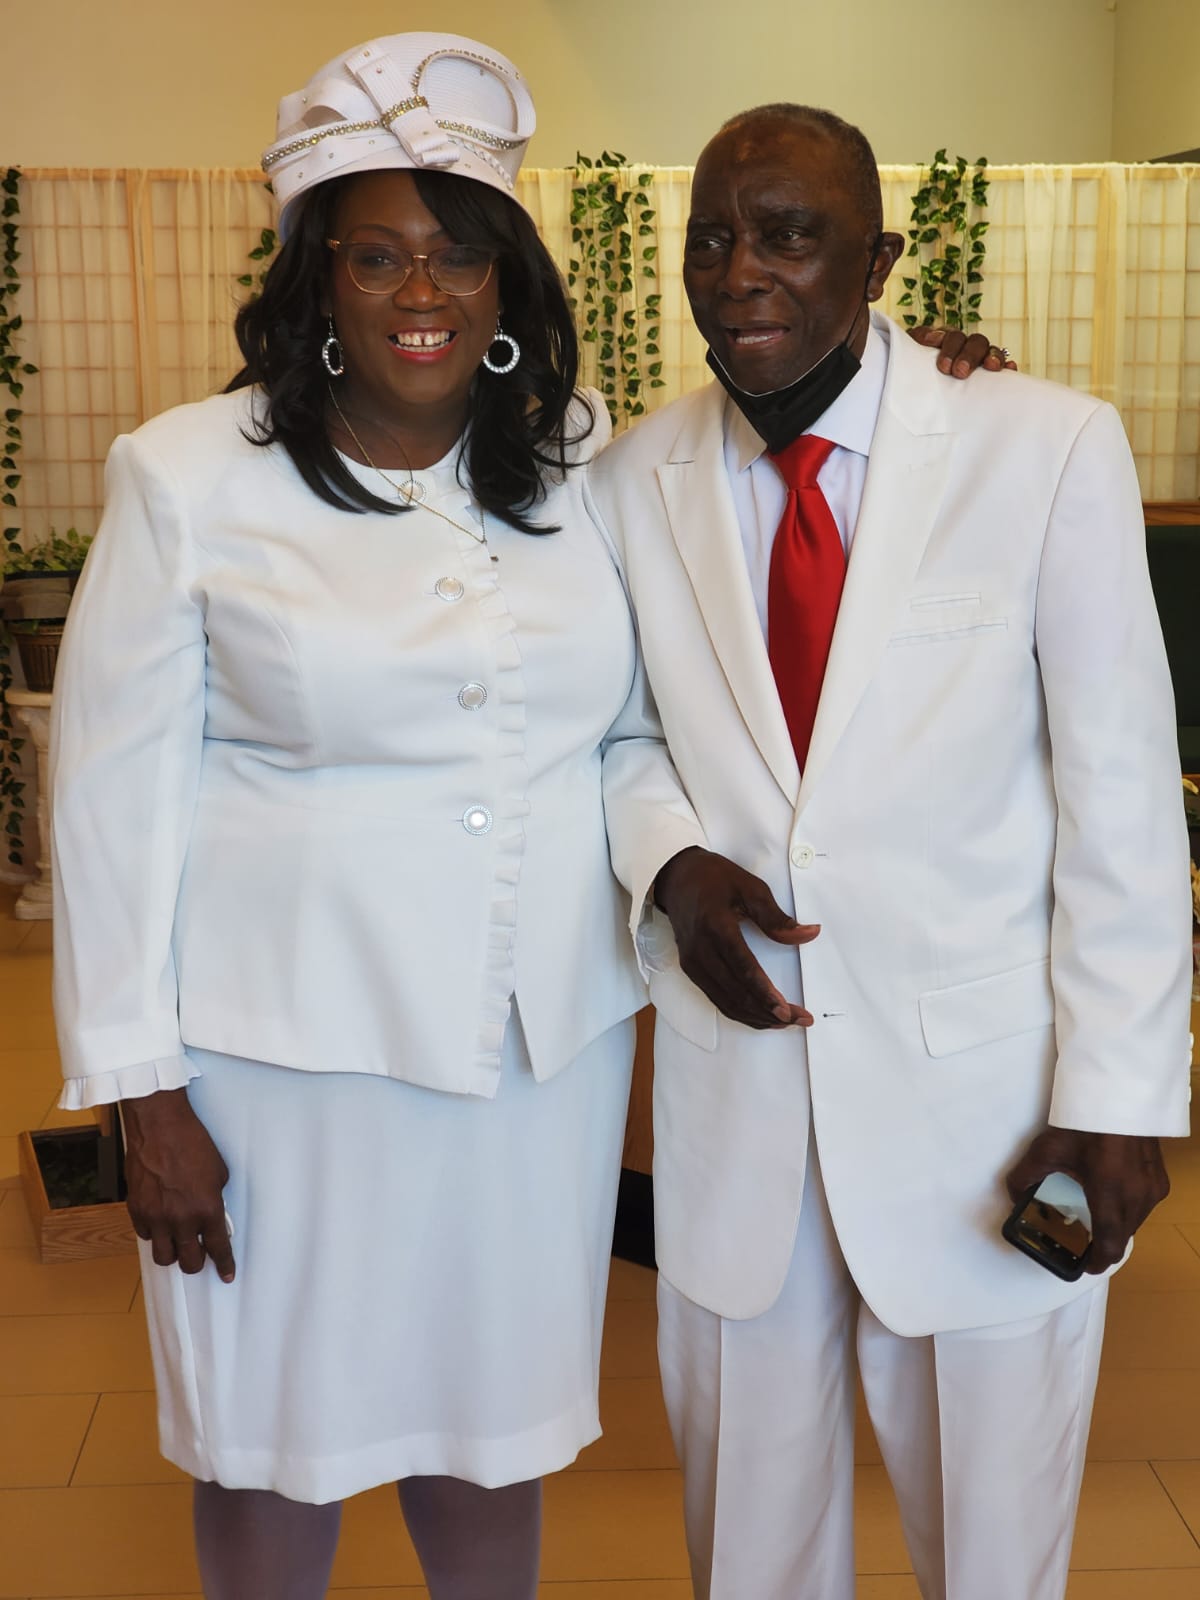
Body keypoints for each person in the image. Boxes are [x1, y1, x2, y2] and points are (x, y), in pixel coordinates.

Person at [48, 32, 664, 1600]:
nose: (421, 291)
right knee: (272, 1438)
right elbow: (111, 801)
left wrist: (921, 371)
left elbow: (635, 718)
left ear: (508, 283)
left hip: (533, 1059)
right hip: (282, 1066)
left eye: (459, 254)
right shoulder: (190, 478)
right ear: (318, 279)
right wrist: (141, 1095)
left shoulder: (586, 462)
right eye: (377, 254)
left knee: (493, 1430)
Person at [593, 103, 1192, 1600]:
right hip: (741, 1104)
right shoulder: (627, 478)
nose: (742, 273)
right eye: (711, 241)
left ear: (879, 259)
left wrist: (1124, 1099)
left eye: (789, 237)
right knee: (749, 1554)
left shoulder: (1043, 449)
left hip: (985, 1115)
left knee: (994, 1556)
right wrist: (670, 858)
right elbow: (613, 732)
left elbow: (1121, 798)